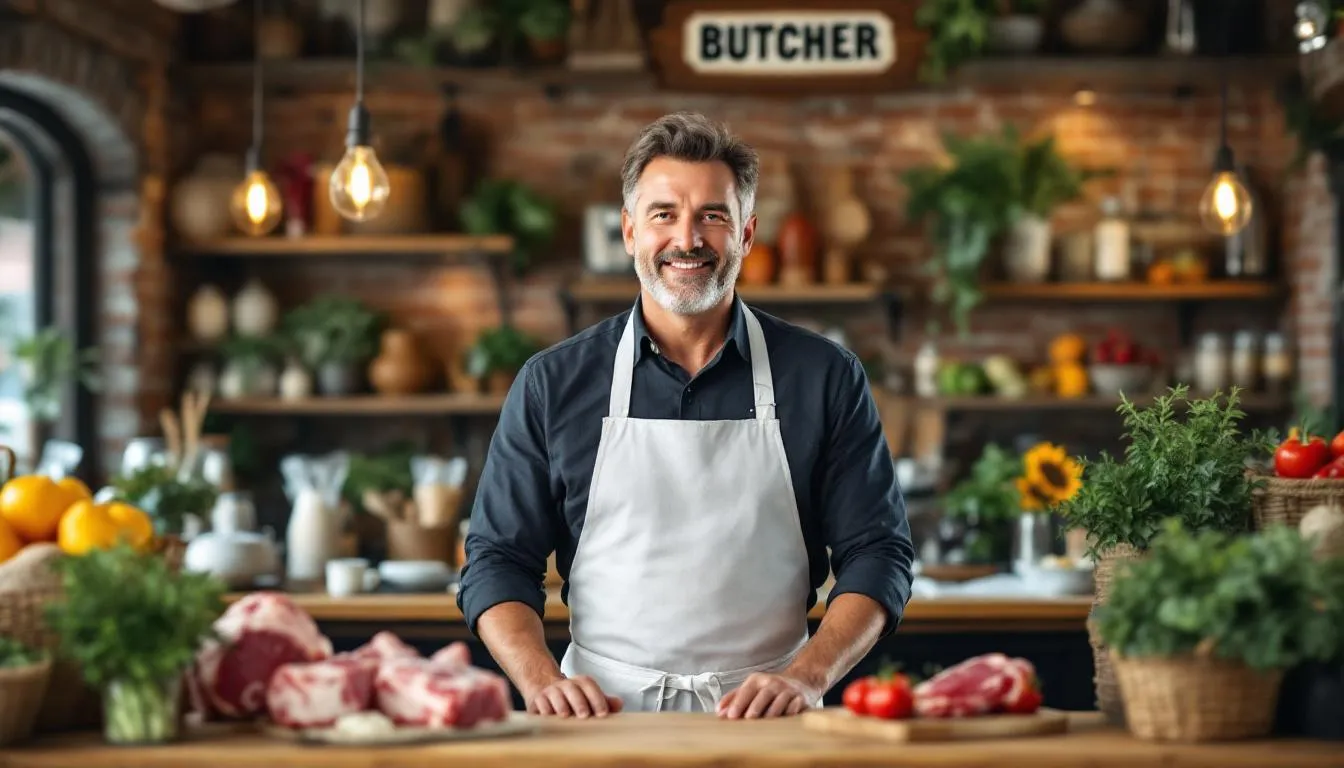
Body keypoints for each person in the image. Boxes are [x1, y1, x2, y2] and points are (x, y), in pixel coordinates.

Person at [456, 111, 913, 719]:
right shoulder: (553, 383)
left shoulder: (825, 376)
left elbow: (878, 553)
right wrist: (541, 682)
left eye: (713, 216)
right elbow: (498, 560)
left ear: (747, 235)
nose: (688, 239)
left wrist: (806, 677)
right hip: (598, 719)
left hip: (772, 720)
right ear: (629, 231)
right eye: (664, 214)